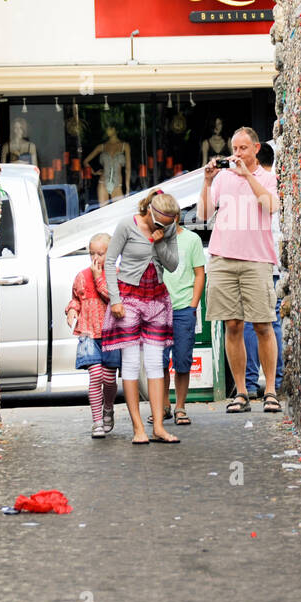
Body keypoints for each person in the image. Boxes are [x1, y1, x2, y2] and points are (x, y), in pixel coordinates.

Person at [198, 127, 282, 414]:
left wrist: (248, 176)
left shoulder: (268, 177)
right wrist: (207, 182)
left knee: (262, 325)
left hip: (256, 260)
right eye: (235, 149)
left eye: (243, 148)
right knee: (232, 325)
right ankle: (242, 392)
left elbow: (271, 206)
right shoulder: (222, 177)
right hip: (223, 258)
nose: (237, 154)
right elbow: (204, 215)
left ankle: (270, 390)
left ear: (256, 148)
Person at [102, 190, 181, 444]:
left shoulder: (167, 229)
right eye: (160, 224)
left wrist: (160, 241)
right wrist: (114, 299)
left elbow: (172, 265)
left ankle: (158, 426)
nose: (164, 228)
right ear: (150, 212)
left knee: (157, 363)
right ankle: (138, 428)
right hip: (128, 297)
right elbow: (110, 260)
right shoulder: (127, 225)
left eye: (169, 225)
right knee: (132, 363)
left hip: (156, 297)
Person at [65, 234, 119, 438]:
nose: (95, 257)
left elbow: (113, 298)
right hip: (88, 332)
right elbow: (75, 299)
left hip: (111, 334)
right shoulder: (81, 276)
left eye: (101, 253)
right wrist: (72, 310)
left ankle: (109, 408)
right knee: (95, 375)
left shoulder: (115, 274)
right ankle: (97, 421)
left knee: (109, 378)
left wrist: (98, 278)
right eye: (91, 253)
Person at [243, 143, 283, 397]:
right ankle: (275, 381)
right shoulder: (280, 183)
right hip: (275, 261)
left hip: (255, 259)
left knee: (249, 321)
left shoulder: (256, 185)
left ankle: (249, 383)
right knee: (273, 321)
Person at [162, 219, 207, 425]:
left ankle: (180, 406)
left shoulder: (192, 239)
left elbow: (200, 274)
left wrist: (193, 305)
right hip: (158, 309)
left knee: (182, 360)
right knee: (159, 362)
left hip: (183, 308)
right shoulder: (154, 239)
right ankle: (163, 405)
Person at [84, 125, 131, 206]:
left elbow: (128, 169)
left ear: (115, 130)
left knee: (118, 212)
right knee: (103, 213)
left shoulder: (125, 146)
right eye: (107, 128)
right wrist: (94, 172)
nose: (107, 130)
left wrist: (127, 189)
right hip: (103, 183)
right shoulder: (102, 146)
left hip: (118, 184)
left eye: (110, 128)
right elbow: (85, 161)